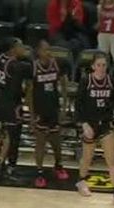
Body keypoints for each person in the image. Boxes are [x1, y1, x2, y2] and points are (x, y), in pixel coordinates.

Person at [76, 53, 114, 208]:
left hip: (105, 123)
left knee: (112, 161)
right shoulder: (86, 81)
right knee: (87, 157)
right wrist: (84, 124)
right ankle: (81, 181)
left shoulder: (111, 81)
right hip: (90, 123)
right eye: (99, 65)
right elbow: (78, 104)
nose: (102, 68)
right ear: (93, 66)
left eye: (104, 65)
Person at [30, 39, 70, 188]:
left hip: (53, 108)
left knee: (56, 142)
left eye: (49, 49)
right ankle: (39, 172)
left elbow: (64, 85)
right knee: (40, 143)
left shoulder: (57, 64)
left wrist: (65, 107)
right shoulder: (33, 67)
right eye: (45, 49)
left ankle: (58, 165)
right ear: (38, 52)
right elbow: (29, 92)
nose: (48, 52)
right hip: (40, 109)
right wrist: (32, 114)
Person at [0, 39, 31, 180]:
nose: (24, 48)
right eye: (21, 46)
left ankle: (0, 162)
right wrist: (23, 94)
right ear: (13, 49)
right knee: (14, 136)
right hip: (11, 104)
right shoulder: (15, 66)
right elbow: (16, 90)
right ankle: (10, 168)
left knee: (7, 134)